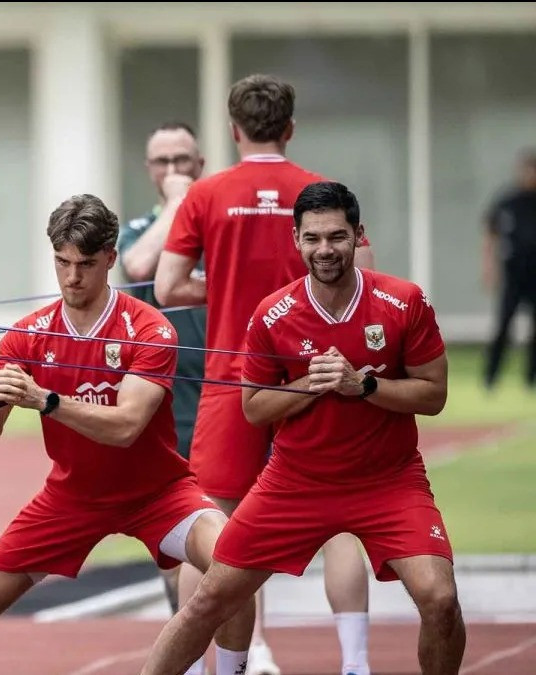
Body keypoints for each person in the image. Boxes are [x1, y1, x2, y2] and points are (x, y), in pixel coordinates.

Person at [0, 194, 254, 675]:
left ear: (111, 259)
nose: (72, 277)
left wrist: (45, 401)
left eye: (86, 264)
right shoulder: (27, 336)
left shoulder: (150, 329)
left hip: (158, 492)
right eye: (62, 262)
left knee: (234, 562)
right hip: (72, 498)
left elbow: (125, 427)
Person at [140, 180, 465, 675]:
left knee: (440, 598)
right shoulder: (273, 314)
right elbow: (252, 408)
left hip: (389, 480)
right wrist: (307, 385)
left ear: (359, 235)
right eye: (312, 238)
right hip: (295, 483)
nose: (324, 249)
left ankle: (356, 662)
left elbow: (434, 394)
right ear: (296, 240)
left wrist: (366, 387)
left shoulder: (404, 302)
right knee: (210, 599)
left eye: (336, 236)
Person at [154, 74, 375, 675]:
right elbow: (369, 277)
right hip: (317, 375)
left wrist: (225, 289)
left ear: (233, 129)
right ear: (291, 127)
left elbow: (169, 285)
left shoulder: (207, 192)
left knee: (214, 524)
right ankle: (355, 664)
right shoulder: (318, 193)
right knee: (341, 521)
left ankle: (207, 666)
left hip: (234, 379)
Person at [117, 121, 209, 672]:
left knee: (235, 529)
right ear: (149, 170)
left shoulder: (220, 221)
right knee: (174, 539)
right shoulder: (140, 228)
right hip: (164, 404)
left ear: (201, 161)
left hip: (225, 391)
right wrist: (178, 205)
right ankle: (190, 653)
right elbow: (137, 268)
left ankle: (254, 648)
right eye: (162, 162)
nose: (173, 171)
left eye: (183, 160)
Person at [482, 148, 536, 391]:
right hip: (514, 275)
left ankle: (530, 380)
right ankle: (490, 378)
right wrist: (488, 267)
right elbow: (490, 236)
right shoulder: (507, 202)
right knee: (503, 325)